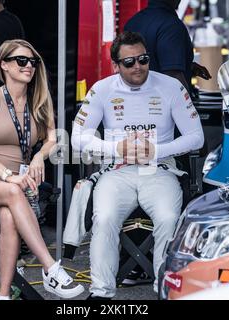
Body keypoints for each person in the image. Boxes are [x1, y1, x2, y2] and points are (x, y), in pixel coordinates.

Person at [71, 32, 204, 299]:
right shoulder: (102, 89)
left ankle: (164, 289)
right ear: (116, 65)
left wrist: (157, 150)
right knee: (105, 218)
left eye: (143, 59)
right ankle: (101, 292)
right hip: (117, 170)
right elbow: (77, 138)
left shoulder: (171, 87)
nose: (138, 67)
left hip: (159, 169)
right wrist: (114, 148)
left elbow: (196, 137)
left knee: (168, 218)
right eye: (129, 62)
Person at [0, 39, 84, 300]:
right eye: (21, 61)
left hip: (19, 183)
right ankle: (50, 268)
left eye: (33, 61)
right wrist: (7, 175)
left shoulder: (39, 100)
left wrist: (39, 157)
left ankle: (3, 295)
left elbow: (53, 138)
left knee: (9, 216)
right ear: (4, 66)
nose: (29, 66)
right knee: (12, 192)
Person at [124, 0, 211, 93]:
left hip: (135, 100)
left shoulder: (132, 22)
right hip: (161, 104)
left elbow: (147, 63)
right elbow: (173, 77)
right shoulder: (171, 25)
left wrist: (186, 67)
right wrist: (186, 106)